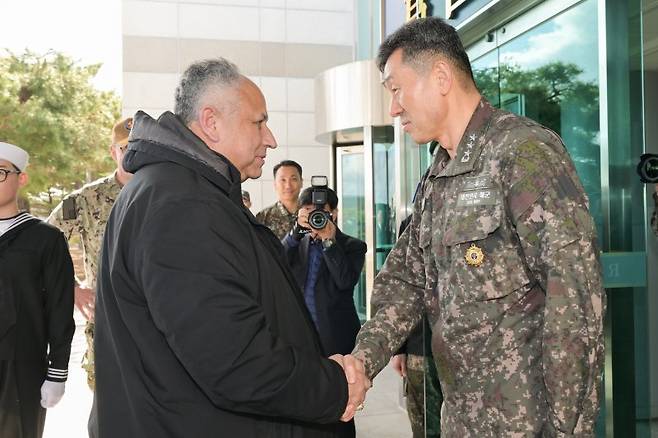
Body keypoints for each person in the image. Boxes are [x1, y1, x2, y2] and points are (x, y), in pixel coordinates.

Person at [352, 17, 605, 436]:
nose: (394, 108)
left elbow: (576, 301)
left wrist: (567, 428)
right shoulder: (439, 173)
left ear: (440, 77)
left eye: (396, 90)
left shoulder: (522, 152)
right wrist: (362, 361)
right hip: (462, 421)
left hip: (530, 425)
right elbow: (406, 279)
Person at [93, 58, 369, 438]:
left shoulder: (182, 192)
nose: (270, 138)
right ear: (211, 121)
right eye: (259, 122)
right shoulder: (182, 206)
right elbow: (235, 362)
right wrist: (336, 387)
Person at [47, 117, 133, 390]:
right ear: (113, 152)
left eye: (138, 147)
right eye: (124, 149)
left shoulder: (164, 195)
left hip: (157, 325)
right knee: (109, 413)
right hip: (106, 326)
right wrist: (72, 289)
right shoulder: (87, 199)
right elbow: (43, 243)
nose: (132, 155)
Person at [0, 142, 75, 438]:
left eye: (0, 172)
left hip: (22, 369)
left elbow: (59, 309)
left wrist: (57, 372)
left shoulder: (45, 239)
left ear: (21, 179)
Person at [281, 186, 366, 438]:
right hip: (298, 339)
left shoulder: (353, 246)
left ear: (334, 214)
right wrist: (295, 232)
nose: (315, 217)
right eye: (308, 211)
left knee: (341, 408)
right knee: (300, 405)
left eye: (322, 212)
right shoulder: (294, 245)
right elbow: (275, 263)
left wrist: (329, 241)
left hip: (335, 340)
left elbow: (345, 281)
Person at [389, 215, 442, 438]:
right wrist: (400, 348)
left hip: (471, 350)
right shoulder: (414, 221)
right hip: (421, 346)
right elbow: (402, 286)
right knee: (424, 426)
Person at [256, 160, 303, 239]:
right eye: (283, 180)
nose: (288, 186)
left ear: (301, 182)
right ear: (275, 184)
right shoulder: (263, 217)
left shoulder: (311, 215)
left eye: (293, 179)